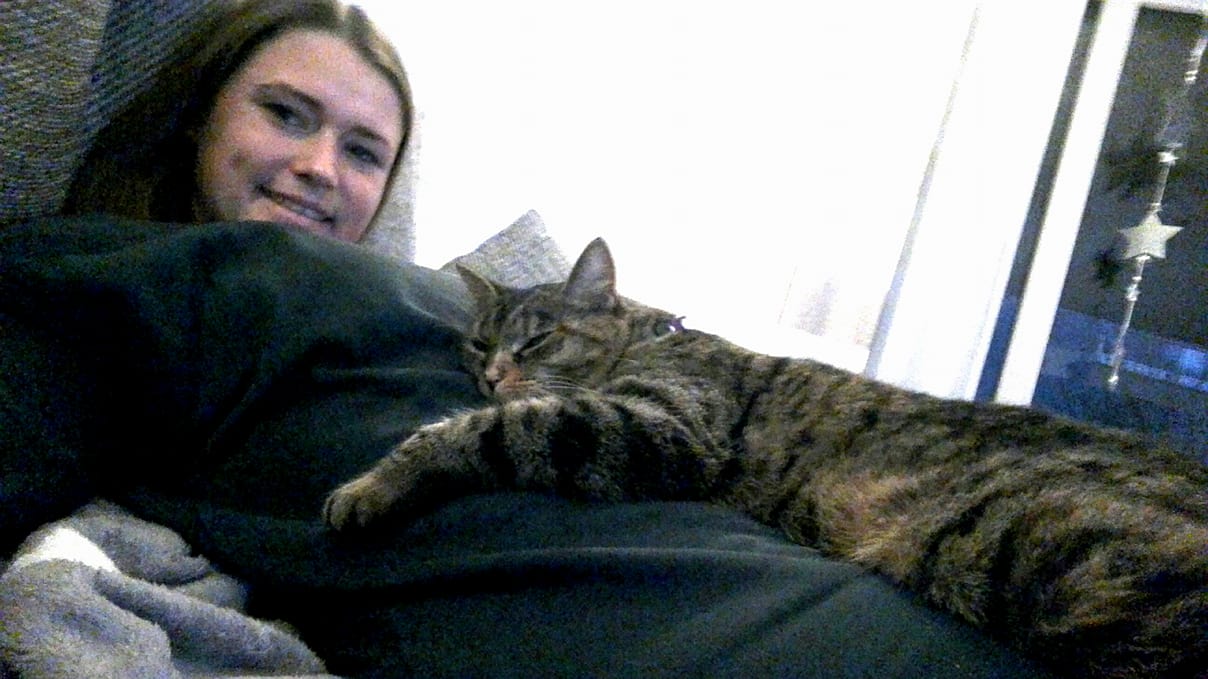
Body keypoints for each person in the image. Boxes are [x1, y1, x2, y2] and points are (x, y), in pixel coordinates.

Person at [63, 0, 413, 244]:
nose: (321, 169)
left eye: (362, 153)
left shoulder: (394, 322)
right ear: (202, 110)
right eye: (286, 114)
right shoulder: (65, 283)